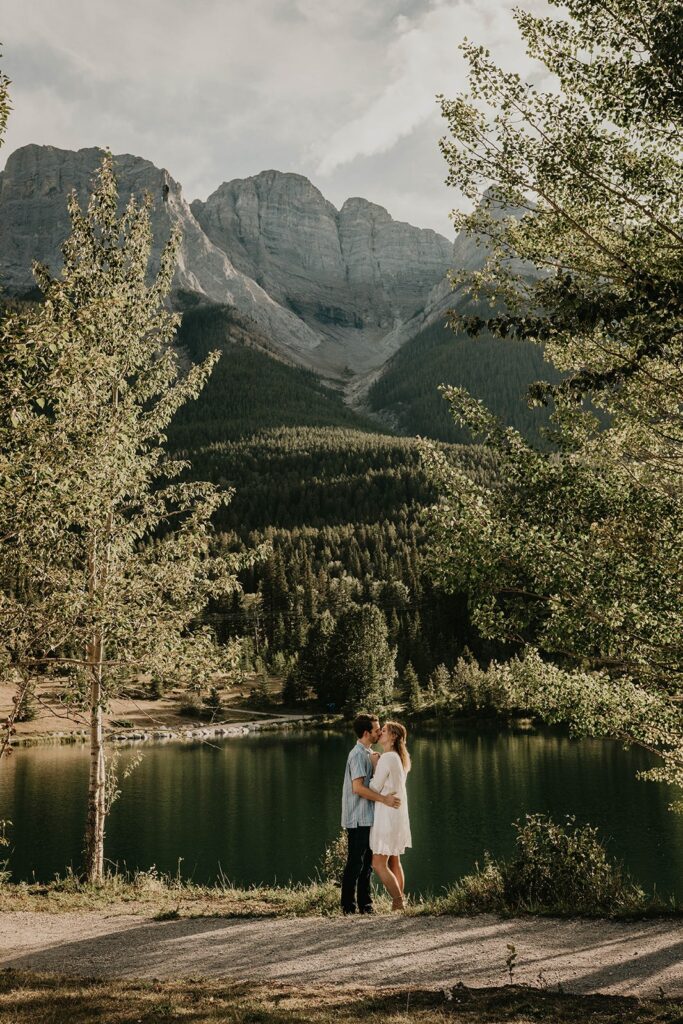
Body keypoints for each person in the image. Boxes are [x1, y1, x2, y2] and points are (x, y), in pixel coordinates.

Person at [340, 712, 401, 915]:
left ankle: (366, 906)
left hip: (369, 818)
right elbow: (357, 788)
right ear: (367, 733)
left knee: (366, 865)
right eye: (376, 730)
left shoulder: (369, 754)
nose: (379, 732)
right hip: (358, 818)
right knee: (355, 863)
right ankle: (348, 907)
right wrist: (385, 800)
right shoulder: (357, 755)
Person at [369, 721, 412, 911]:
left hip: (386, 815)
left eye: (384, 731)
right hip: (397, 815)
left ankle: (398, 901)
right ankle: (399, 904)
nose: (380, 733)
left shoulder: (386, 758)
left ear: (393, 736)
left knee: (378, 863)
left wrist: (374, 765)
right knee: (394, 860)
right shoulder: (399, 758)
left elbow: (374, 787)